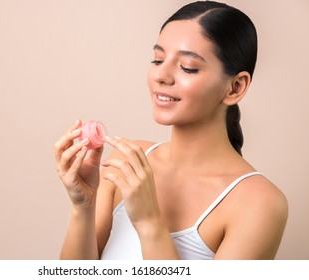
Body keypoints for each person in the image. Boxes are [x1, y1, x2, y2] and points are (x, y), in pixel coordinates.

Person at [54, 1, 288, 260]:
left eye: (188, 67)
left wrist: (149, 222)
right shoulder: (125, 162)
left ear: (235, 87)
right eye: (158, 59)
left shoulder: (260, 203)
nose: (161, 75)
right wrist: (83, 206)